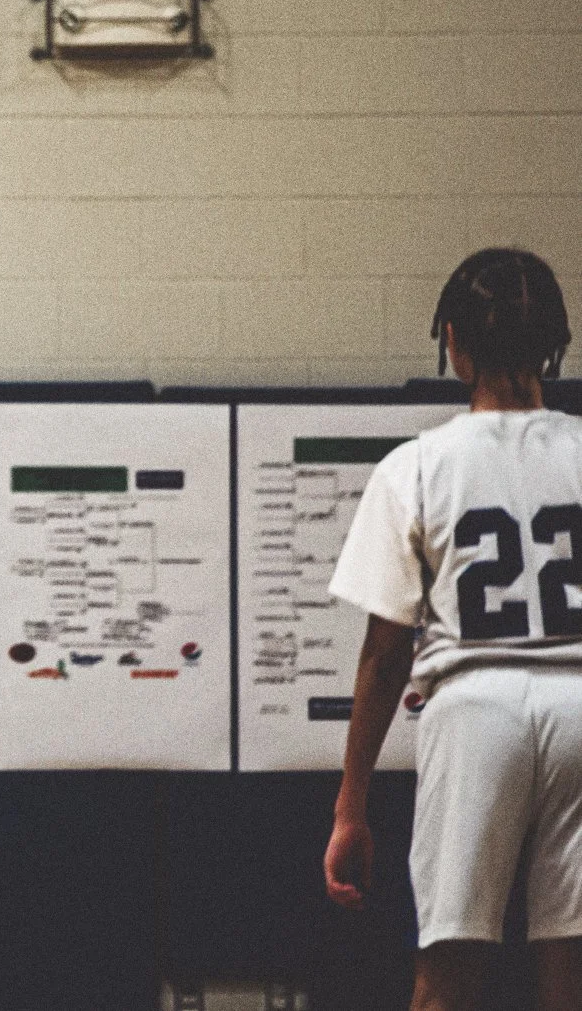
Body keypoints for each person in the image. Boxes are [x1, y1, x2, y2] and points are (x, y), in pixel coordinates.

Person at [326, 248, 582, 1011]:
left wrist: (350, 806)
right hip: (580, 703)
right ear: (553, 344)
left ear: (453, 344)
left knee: (450, 965)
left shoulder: (417, 465)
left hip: (474, 708)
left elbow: (383, 654)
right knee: (569, 967)